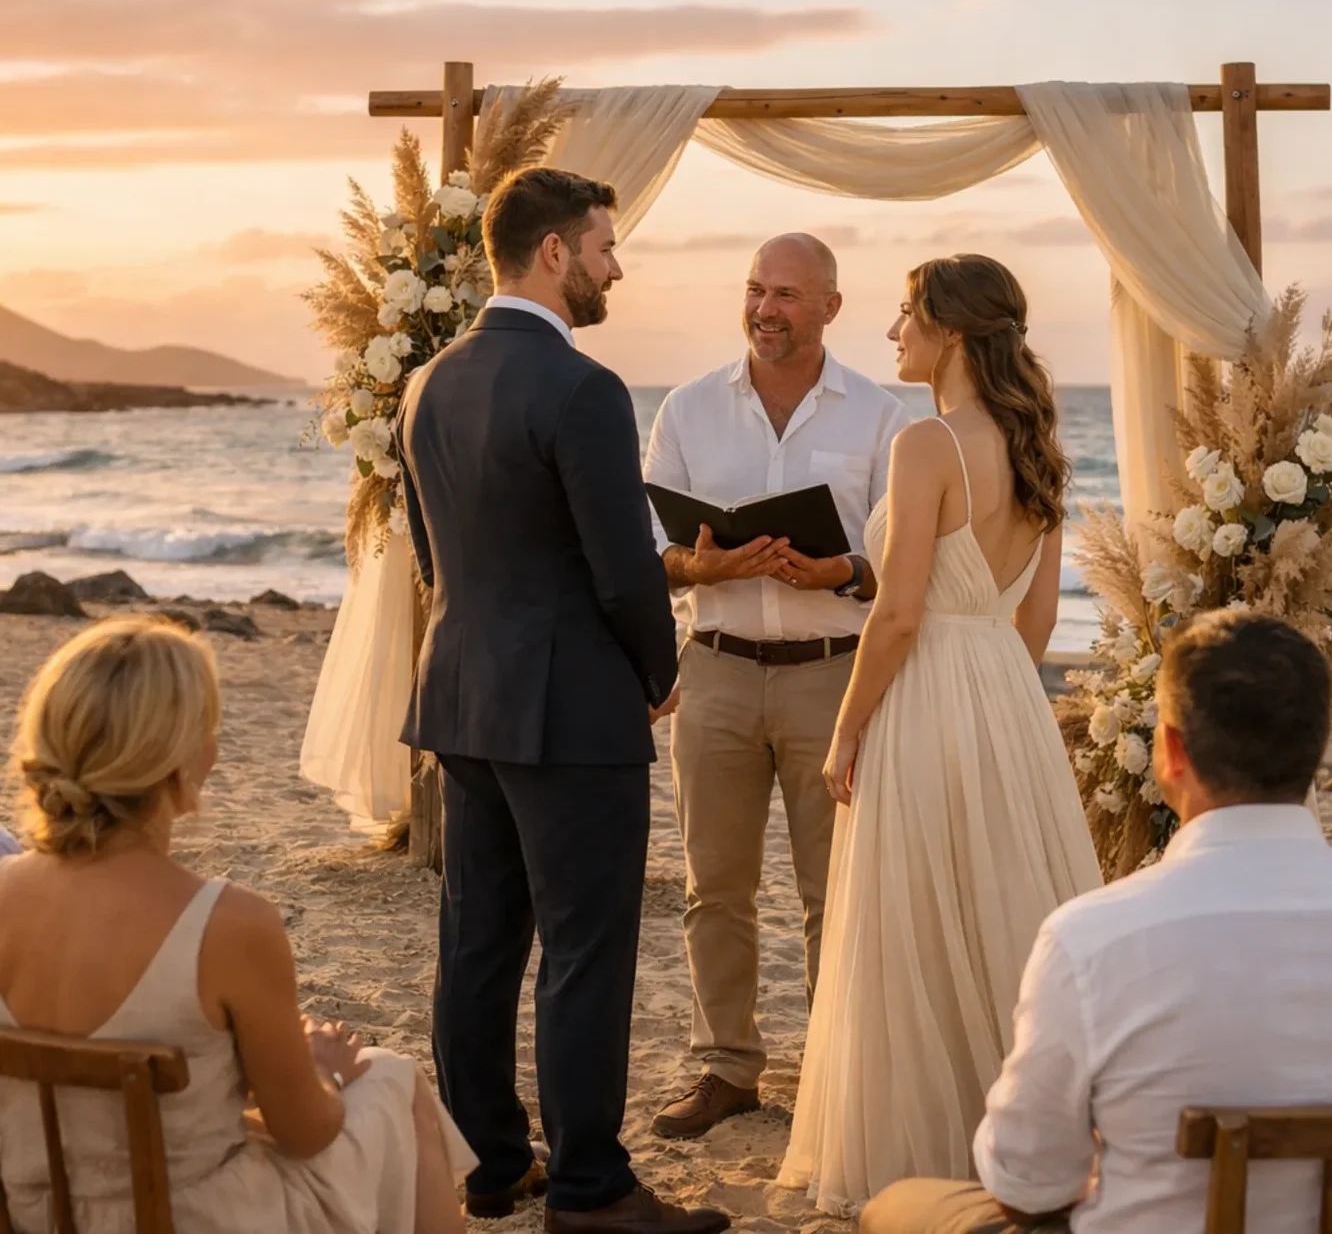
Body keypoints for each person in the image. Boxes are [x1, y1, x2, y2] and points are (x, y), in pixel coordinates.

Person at [396, 167, 728, 1234]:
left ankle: (490, 1161)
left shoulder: (427, 381)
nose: (614, 266)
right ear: (553, 252)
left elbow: (427, 551)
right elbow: (623, 565)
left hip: (462, 693)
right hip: (570, 708)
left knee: (477, 938)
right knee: (587, 945)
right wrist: (657, 670)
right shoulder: (584, 389)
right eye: (604, 245)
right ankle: (589, 1186)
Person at [777, 254, 1103, 1213]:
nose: (893, 334)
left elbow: (899, 611)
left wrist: (847, 729)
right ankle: (1031, 1143)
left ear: (952, 331)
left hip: (927, 692)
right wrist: (997, 688)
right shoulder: (1038, 445)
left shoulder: (929, 444)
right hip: (1004, 692)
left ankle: (925, 1155)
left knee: (915, 916)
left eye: (907, 315)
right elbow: (1036, 624)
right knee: (1004, 903)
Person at [0, 614, 473, 1234]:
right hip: (192, 1218)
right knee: (393, 1080)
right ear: (185, 757)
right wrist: (323, 1068)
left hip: (46, 1215)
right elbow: (306, 1133)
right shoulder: (227, 923)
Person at [863, 609, 1332, 1234]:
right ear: (1317, 747)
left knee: (894, 1209)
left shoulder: (1093, 939)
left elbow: (1026, 1186)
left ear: (1170, 751)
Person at [644, 234, 908, 1139]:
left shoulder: (881, 416)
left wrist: (838, 571)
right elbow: (655, 555)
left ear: (831, 306)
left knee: (833, 890)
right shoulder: (686, 409)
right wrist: (699, 565)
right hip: (714, 666)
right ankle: (726, 1067)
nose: (767, 308)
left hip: (831, 679)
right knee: (714, 884)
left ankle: (841, 1071)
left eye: (788, 294)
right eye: (756, 289)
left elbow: (903, 563)